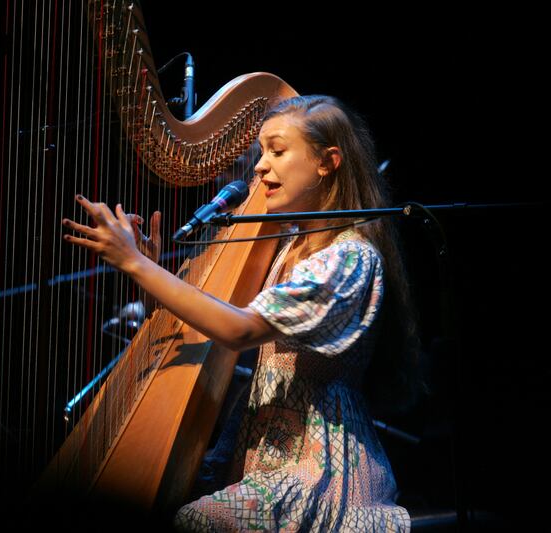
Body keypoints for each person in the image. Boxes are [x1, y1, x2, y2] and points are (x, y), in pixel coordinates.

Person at [61, 94, 425, 532]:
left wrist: (136, 265)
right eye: (261, 152)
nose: (259, 167)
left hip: (319, 472)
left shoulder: (348, 259)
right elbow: (211, 323)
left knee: (196, 521)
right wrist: (151, 273)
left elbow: (240, 329)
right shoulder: (289, 245)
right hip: (262, 455)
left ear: (327, 162)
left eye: (277, 151)